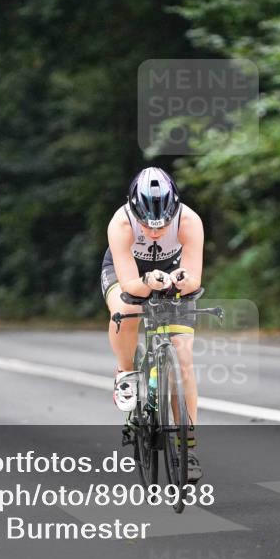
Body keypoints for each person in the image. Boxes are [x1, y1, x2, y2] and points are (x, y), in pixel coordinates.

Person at [101, 167, 205, 482]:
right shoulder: (120, 224)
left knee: (183, 358)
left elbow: (194, 278)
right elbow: (130, 284)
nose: (156, 232)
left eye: (163, 225)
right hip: (131, 272)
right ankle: (126, 371)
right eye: (148, 225)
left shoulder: (190, 221)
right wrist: (147, 281)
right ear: (134, 213)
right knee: (125, 309)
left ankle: (186, 444)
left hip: (172, 269)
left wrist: (179, 281)